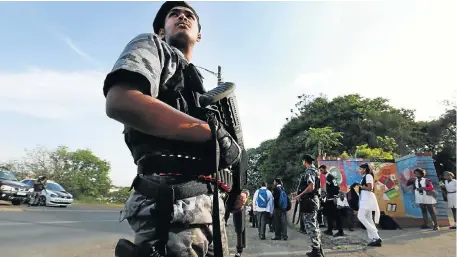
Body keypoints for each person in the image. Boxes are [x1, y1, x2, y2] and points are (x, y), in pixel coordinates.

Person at [103, 2, 247, 256]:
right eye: (174, 14)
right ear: (161, 30)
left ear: (199, 35)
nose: (183, 17)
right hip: (170, 209)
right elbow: (120, 101)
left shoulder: (198, 83)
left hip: (207, 211)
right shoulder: (154, 47)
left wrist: (232, 190)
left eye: (190, 15)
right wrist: (211, 134)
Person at [294, 154, 323, 257]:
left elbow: (311, 187)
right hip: (313, 200)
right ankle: (317, 248)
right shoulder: (315, 171)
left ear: (304, 161)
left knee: (310, 226)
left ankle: (317, 250)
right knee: (314, 225)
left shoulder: (309, 171)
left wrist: (300, 195)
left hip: (309, 201)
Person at [355, 163, 382, 247]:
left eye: (361, 169)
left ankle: (375, 234)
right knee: (368, 218)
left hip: (367, 199)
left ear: (365, 169)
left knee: (361, 217)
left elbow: (370, 188)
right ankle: (375, 238)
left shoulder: (368, 176)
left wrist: (360, 186)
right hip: (364, 198)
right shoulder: (364, 177)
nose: (359, 170)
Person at [319, 165, 344, 237]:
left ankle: (340, 231)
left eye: (321, 170)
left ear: (325, 169)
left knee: (336, 215)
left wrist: (334, 196)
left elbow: (335, 187)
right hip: (330, 198)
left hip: (332, 199)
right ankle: (330, 230)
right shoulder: (329, 176)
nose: (321, 172)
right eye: (320, 171)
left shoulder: (329, 176)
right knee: (328, 214)